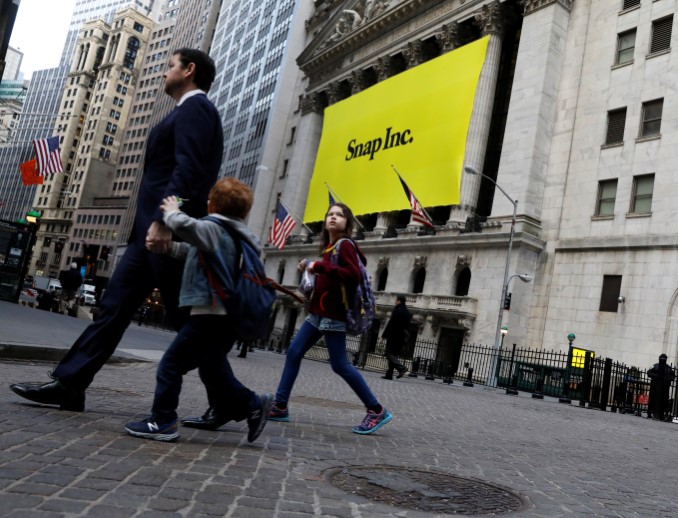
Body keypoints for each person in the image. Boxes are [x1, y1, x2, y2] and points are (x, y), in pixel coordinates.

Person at [10, 48, 224, 412]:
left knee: (188, 323)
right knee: (113, 308)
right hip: (146, 236)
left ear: (189, 70)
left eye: (169, 66)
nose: (162, 73)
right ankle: (70, 384)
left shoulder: (197, 109)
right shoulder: (186, 111)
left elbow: (189, 171)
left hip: (164, 234)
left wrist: (163, 220)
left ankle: (236, 400)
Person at [124, 179, 272, 442]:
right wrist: (168, 247)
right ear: (245, 212)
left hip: (209, 315)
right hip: (225, 317)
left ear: (211, 204)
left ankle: (163, 420)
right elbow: (196, 253)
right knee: (212, 368)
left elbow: (187, 227)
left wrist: (171, 211)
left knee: (170, 366)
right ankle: (251, 404)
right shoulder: (236, 235)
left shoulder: (213, 228)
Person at [267, 203, 393, 435]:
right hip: (317, 313)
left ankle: (376, 410)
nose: (333, 218)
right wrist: (311, 267)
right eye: (330, 215)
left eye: (339, 215)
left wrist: (318, 266)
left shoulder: (345, 244)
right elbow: (328, 274)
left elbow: (352, 275)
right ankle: (280, 406)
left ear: (347, 222)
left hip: (333, 315)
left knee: (340, 364)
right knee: (294, 352)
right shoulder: (330, 247)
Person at [382, 295, 411, 380]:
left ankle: (401, 368)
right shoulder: (407, 312)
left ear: (399, 301)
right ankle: (389, 375)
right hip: (401, 337)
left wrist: (384, 335)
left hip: (393, 336)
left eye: (396, 300)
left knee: (388, 353)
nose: (395, 302)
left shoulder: (397, 310)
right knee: (393, 355)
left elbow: (391, 323)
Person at [646, 353, 675, 421]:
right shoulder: (655, 366)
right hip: (655, 386)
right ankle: (650, 412)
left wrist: (667, 379)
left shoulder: (668, 368)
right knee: (652, 400)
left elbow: (673, 376)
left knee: (664, 401)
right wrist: (656, 376)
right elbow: (649, 372)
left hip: (664, 387)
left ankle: (662, 414)